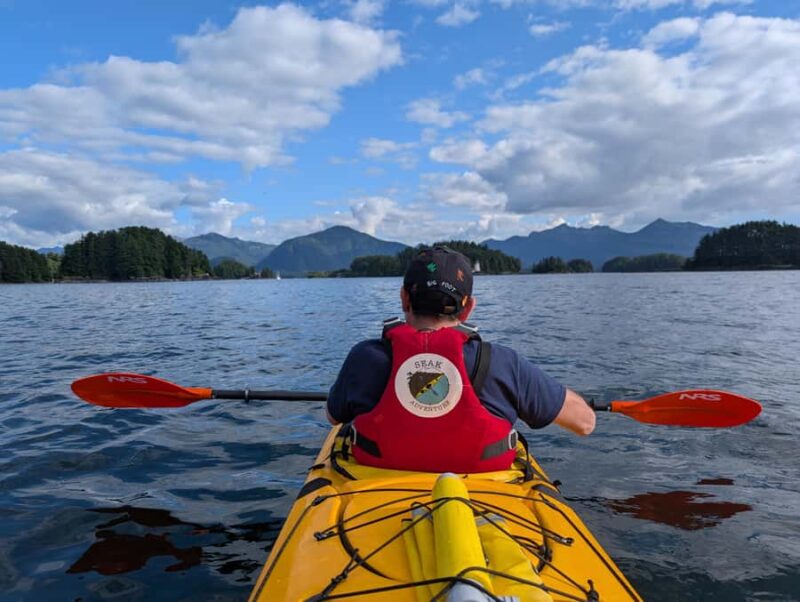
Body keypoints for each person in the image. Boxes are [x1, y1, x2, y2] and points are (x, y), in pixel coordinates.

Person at [327, 246, 595, 473]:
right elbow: (585, 423)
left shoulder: (365, 357)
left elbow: (332, 416)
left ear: (404, 298)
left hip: (379, 487)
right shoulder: (503, 363)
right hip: (484, 496)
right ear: (468, 308)